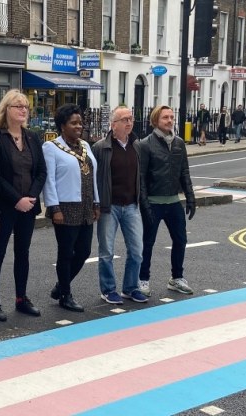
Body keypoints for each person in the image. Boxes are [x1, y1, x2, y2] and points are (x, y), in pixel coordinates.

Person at [0, 89, 47, 320]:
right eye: (18, 106)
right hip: (5, 207)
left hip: (28, 206)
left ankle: (21, 298)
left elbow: (41, 171)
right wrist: (16, 199)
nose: (23, 110)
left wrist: (30, 197)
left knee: (23, 252)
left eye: (25, 107)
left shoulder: (32, 137)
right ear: (6, 110)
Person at [44, 104, 100, 312]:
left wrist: (96, 202)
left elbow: (92, 175)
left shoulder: (85, 145)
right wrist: (54, 207)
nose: (79, 126)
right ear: (62, 126)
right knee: (66, 252)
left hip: (86, 205)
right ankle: (66, 295)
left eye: (80, 122)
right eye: (73, 123)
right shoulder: (51, 148)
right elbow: (49, 180)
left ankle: (61, 284)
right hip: (65, 206)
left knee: (84, 251)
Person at [92, 106, 148, 305]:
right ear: (113, 125)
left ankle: (130, 288)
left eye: (131, 119)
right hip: (109, 206)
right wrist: (95, 204)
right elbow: (94, 178)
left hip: (131, 205)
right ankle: (108, 290)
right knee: (106, 251)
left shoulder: (137, 145)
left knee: (136, 250)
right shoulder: (101, 147)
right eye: (124, 119)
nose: (129, 123)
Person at [139, 106, 196, 297]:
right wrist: (144, 203)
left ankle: (177, 278)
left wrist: (190, 197)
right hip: (154, 202)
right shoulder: (145, 144)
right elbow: (141, 177)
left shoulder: (179, 143)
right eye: (165, 117)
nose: (170, 120)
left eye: (172, 117)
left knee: (180, 240)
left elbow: (184, 172)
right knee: (148, 242)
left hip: (173, 202)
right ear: (156, 121)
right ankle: (143, 279)